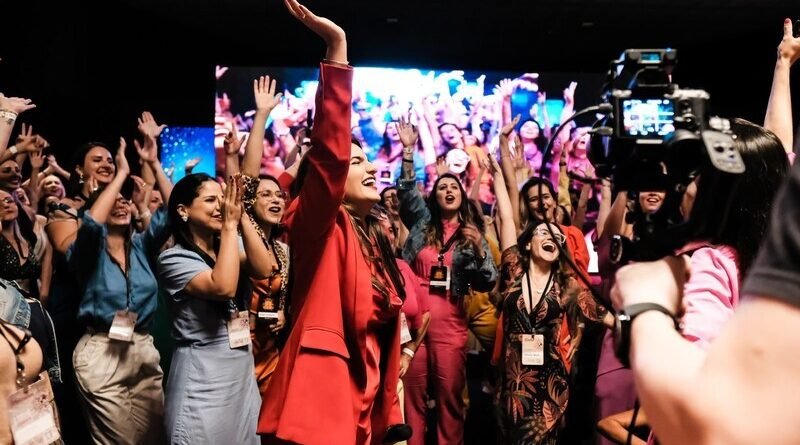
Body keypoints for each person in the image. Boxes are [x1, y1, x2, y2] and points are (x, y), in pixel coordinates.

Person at [609, 19, 800, 445]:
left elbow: (698, 412)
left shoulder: (710, 267)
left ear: (723, 193)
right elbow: (772, 154)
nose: (686, 185)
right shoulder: (782, 249)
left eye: (697, 174)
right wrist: (782, 66)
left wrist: (647, 307)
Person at [258, 2, 408, 444]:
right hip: (321, 397)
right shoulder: (319, 225)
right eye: (355, 161)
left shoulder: (375, 238)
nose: (368, 166)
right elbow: (328, 158)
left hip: (366, 398)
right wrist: (337, 48)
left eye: (365, 159)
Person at [488, 153, 612, 444]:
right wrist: (496, 174)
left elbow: (607, 317)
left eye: (557, 236)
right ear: (529, 244)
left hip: (549, 383)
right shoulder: (514, 270)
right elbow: (507, 218)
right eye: (543, 232)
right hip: (510, 380)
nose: (551, 237)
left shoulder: (567, 285)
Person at [397, 116, 497, 444]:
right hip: (414, 322)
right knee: (411, 398)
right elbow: (407, 192)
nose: (449, 190)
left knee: (450, 400)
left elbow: (487, 281)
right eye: (443, 186)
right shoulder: (422, 224)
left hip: (451, 326)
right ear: (435, 196)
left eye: (454, 186)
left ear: (461, 196)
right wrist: (409, 151)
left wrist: (480, 250)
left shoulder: (470, 235)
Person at [67, 138, 173, 444]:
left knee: (154, 440)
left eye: (125, 199)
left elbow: (176, 212)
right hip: (102, 350)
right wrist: (120, 174)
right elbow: (89, 222)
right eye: (113, 200)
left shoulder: (142, 245)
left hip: (143, 347)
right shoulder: (88, 250)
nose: (122, 202)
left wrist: (153, 163)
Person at [158, 171, 271, 444]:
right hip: (203, 376)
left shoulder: (227, 244)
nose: (221, 205)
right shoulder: (173, 258)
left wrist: (241, 214)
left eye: (223, 199)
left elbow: (264, 267)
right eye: (211, 200)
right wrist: (230, 226)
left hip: (240, 371)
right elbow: (223, 287)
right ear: (183, 210)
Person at [239, 74, 290, 396]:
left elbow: (280, 294)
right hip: (238, 345)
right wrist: (262, 116)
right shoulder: (242, 234)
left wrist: (282, 312)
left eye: (279, 196)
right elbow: (246, 179)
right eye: (266, 195)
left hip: (271, 348)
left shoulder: (283, 249)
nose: (275, 200)